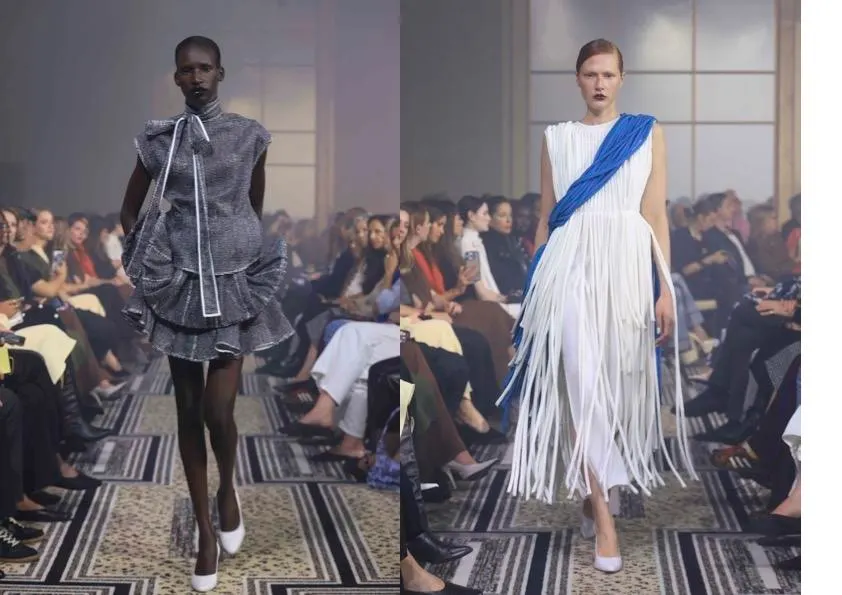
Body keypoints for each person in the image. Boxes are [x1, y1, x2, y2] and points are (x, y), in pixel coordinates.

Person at [497, 39, 696, 574]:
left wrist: (665, 287)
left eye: (608, 74)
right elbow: (546, 216)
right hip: (567, 266)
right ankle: (605, 519)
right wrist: (535, 286)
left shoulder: (647, 133)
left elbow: (655, 213)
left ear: (622, 78)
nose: (600, 83)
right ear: (578, 79)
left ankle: (593, 491)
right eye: (590, 74)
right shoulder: (556, 138)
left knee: (612, 381)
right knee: (581, 381)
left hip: (627, 269)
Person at [119, 36, 293, 592]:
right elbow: (131, 207)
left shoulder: (248, 136)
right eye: (186, 70)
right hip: (178, 286)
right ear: (176, 78)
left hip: (232, 284)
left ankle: (227, 490)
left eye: (204, 68)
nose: (196, 77)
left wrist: (236, 248)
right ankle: (203, 532)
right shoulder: (158, 140)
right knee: (189, 411)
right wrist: (147, 259)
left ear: (221, 73)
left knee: (221, 412)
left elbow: (254, 205)